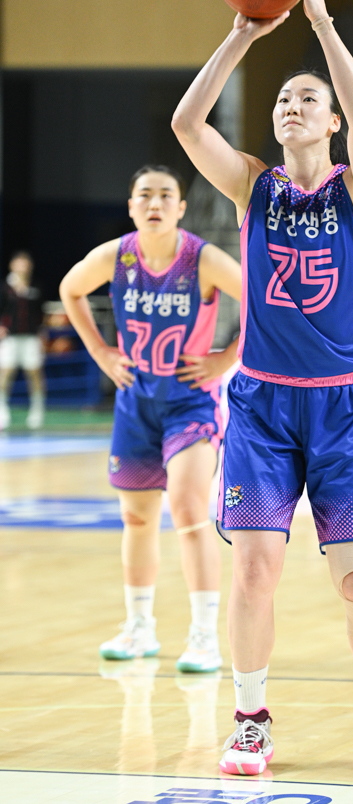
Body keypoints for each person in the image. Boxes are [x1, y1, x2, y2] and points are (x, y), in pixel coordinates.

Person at [171, 0, 353, 776]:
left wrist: (319, 22)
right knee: (253, 573)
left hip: (344, 406)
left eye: (308, 98)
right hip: (263, 406)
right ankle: (250, 720)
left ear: (332, 121)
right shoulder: (254, 188)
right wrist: (243, 35)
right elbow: (188, 126)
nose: (292, 106)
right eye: (283, 99)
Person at [59, 165, 242, 672]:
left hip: (190, 403)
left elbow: (263, 300)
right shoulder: (117, 256)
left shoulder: (201, 258)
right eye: (145, 195)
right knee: (137, 518)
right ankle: (139, 627)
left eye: (165, 195)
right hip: (135, 402)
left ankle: (204, 636)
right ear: (132, 206)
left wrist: (226, 359)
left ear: (181, 207)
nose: (155, 203)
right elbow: (70, 289)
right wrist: (101, 353)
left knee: (188, 509)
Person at [0, 251, 46, 430]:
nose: (23, 267)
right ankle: (2, 411)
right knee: (6, 373)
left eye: (26, 263)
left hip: (31, 338)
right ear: (12, 265)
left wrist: (42, 333)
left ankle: (37, 411)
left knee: (34, 374)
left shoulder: (36, 287)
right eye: (19, 263)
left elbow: (40, 313)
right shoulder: (5, 288)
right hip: (10, 339)